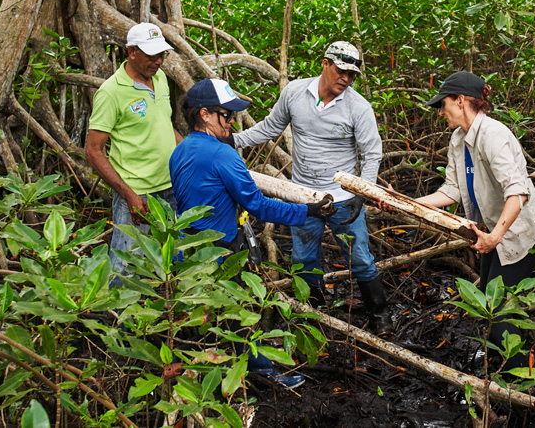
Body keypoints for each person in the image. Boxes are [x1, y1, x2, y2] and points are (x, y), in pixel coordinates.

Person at [169, 77, 336, 391]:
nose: (232, 123)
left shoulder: (179, 151)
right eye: (227, 115)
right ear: (204, 115)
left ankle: (199, 380)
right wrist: (307, 211)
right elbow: (258, 205)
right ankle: (260, 373)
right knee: (239, 317)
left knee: (198, 318)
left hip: (184, 251)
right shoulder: (224, 155)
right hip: (219, 253)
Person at [231, 41, 393, 335]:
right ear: (325, 63)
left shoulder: (358, 107)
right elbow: (269, 127)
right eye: (341, 71)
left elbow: (372, 153)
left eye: (352, 75)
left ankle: (379, 315)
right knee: (304, 260)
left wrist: (361, 193)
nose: (345, 79)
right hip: (304, 196)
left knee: (360, 258)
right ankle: (314, 316)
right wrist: (234, 141)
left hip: (343, 198)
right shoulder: (295, 92)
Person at [414, 70, 535, 372]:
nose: (440, 112)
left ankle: (519, 387)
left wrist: (495, 237)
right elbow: (450, 190)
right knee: (488, 304)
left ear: (461, 100)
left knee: (500, 316)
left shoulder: (493, 135)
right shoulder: (458, 139)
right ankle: (500, 371)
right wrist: (408, 202)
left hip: (519, 233)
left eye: (443, 104)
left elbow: (518, 192)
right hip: (492, 233)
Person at [87, 22, 182, 277]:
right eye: (152, 56)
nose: (159, 62)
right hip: (137, 193)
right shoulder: (111, 92)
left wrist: (192, 155)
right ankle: (116, 315)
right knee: (127, 265)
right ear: (131, 52)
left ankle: (163, 315)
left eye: (162, 55)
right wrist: (129, 195)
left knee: (170, 258)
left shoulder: (159, 79)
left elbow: (164, 125)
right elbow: (93, 151)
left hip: (170, 186)